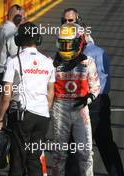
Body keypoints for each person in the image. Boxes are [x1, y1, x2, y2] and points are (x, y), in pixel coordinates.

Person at [62, 8, 124, 176]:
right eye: (65, 21)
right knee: (86, 145)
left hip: (93, 102)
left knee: (95, 143)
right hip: (85, 101)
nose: (68, 24)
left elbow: (103, 81)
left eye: (71, 21)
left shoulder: (92, 53)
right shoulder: (87, 51)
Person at [0, 22, 55, 176]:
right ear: (38, 39)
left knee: (18, 159)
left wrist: (0, 118)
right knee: (34, 159)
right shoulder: (48, 62)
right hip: (42, 117)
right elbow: (51, 92)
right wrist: (45, 110)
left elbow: (6, 93)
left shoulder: (13, 61)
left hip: (23, 116)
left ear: (18, 40)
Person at [52, 23, 100, 176]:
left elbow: (95, 87)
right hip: (60, 108)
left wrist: (88, 99)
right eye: (62, 44)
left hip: (81, 110)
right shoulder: (51, 63)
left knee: (85, 152)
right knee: (59, 154)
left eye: (69, 44)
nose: (65, 48)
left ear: (80, 42)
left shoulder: (88, 62)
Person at [84, 34, 124, 176]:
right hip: (100, 100)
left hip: (91, 101)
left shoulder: (87, 54)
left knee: (80, 146)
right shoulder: (99, 52)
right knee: (106, 143)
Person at [0, 4, 25, 108]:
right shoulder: (13, 33)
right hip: (7, 78)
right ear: (18, 17)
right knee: (9, 111)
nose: (24, 20)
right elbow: (16, 56)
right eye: (23, 17)